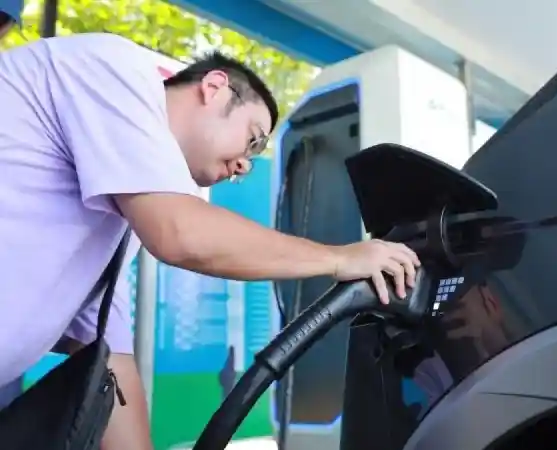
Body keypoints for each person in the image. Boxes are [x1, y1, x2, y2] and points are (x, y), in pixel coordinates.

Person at [0, 32, 419, 450]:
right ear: (215, 87)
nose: (243, 166)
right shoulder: (115, 68)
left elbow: (110, 358)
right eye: (253, 139)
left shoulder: (120, 225)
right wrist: (340, 259)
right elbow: (182, 234)